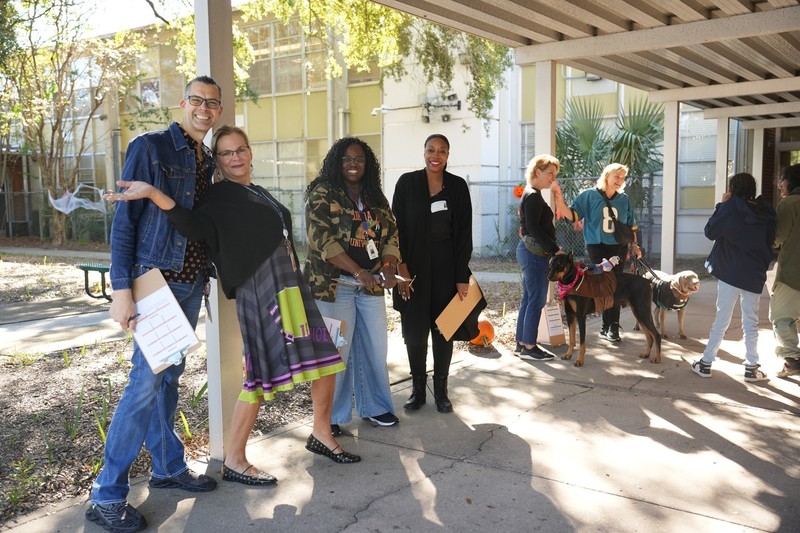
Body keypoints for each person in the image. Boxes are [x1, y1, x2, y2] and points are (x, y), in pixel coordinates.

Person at [105, 125, 360, 485]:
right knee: (261, 374)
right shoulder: (219, 197)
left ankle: (321, 433)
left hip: (289, 286)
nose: (235, 157)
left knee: (325, 358)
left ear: (250, 151)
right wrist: (153, 193)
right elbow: (192, 226)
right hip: (261, 290)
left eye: (240, 149)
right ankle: (236, 459)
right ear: (218, 161)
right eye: (226, 153)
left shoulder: (256, 191)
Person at [87, 75, 223, 533]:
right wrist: (121, 286)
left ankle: (166, 467)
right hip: (156, 282)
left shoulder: (207, 161)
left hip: (188, 286)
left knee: (168, 382)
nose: (205, 108)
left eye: (213, 103)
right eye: (198, 100)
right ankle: (107, 496)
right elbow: (125, 221)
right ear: (184, 103)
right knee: (144, 384)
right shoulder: (151, 147)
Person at [304, 137, 401, 435]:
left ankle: (376, 407)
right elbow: (321, 240)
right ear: (337, 161)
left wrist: (387, 266)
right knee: (335, 353)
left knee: (375, 347)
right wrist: (359, 271)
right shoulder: (323, 192)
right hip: (333, 286)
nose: (353, 163)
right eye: (347, 158)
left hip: (370, 286)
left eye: (359, 158)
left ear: (367, 164)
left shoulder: (375, 197)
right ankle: (329, 417)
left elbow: (391, 234)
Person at [392, 133, 475, 413]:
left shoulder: (458, 187)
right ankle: (418, 390)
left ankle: (441, 391)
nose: (435, 155)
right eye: (430, 150)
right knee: (414, 331)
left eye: (441, 151)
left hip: (447, 270)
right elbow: (395, 229)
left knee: (444, 331)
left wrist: (461, 276)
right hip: (411, 271)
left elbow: (464, 234)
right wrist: (401, 269)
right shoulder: (407, 183)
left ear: (448, 155)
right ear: (423, 152)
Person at [690, 173, 775, 382]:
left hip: (730, 270)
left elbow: (710, 231)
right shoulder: (767, 212)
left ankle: (706, 363)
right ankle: (751, 367)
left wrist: (722, 204)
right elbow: (771, 240)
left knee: (722, 317)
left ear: (733, 188)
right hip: (754, 272)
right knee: (751, 321)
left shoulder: (730, 208)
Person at [552, 163, 642, 342]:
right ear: (607, 176)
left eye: (623, 178)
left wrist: (635, 246)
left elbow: (631, 226)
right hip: (597, 247)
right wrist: (559, 201)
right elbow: (573, 216)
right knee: (601, 284)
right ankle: (605, 324)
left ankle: (613, 326)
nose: (619, 181)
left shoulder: (623, 199)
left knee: (614, 286)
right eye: (616, 176)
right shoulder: (589, 196)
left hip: (618, 247)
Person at [515, 154, 563, 361]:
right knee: (536, 300)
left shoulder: (530, 193)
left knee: (529, 299)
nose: (553, 177)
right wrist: (555, 249)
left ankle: (521, 342)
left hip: (529, 252)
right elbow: (533, 227)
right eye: (550, 173)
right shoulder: (533, 195)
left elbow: (528, 225)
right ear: (537, 171)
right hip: (534, 254)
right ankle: (529, 347)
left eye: (555, 174)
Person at [771, 163, 800, 378]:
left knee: (781, 316)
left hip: (793, 272)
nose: (780, 184)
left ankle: (792, 359)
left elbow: (778, 238)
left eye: (782, 179)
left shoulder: (790, 203)